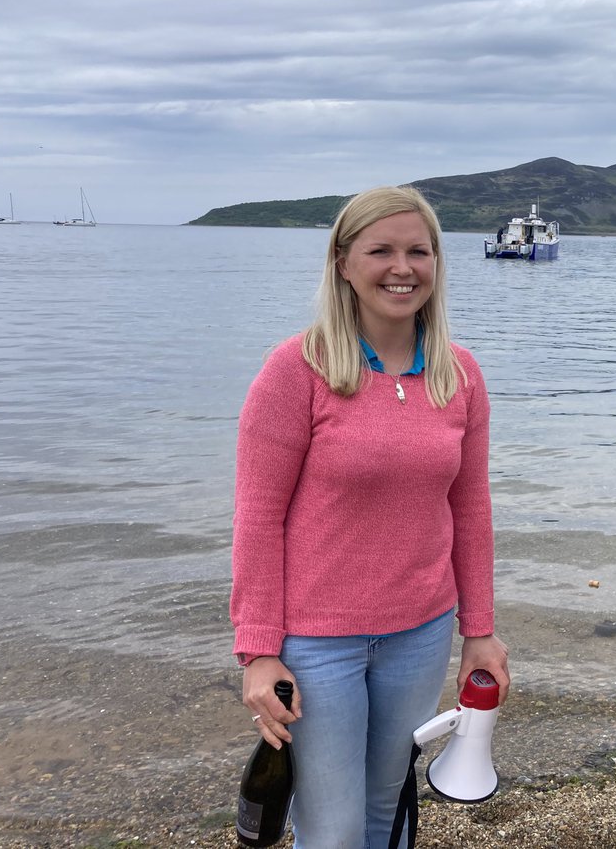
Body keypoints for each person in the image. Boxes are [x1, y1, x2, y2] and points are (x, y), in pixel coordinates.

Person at [231, 185, 509, 848]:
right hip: (318, 641)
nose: (402, 267)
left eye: (419, 250)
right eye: (380, 250)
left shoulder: (459, 374)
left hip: (419, 635)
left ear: (438, 264)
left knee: (389, 814)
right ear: (343, 263)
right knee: (331, 830)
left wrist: (481, 631)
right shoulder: (297, 369)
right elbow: (257, 519)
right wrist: (259, 651)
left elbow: (470, 511)